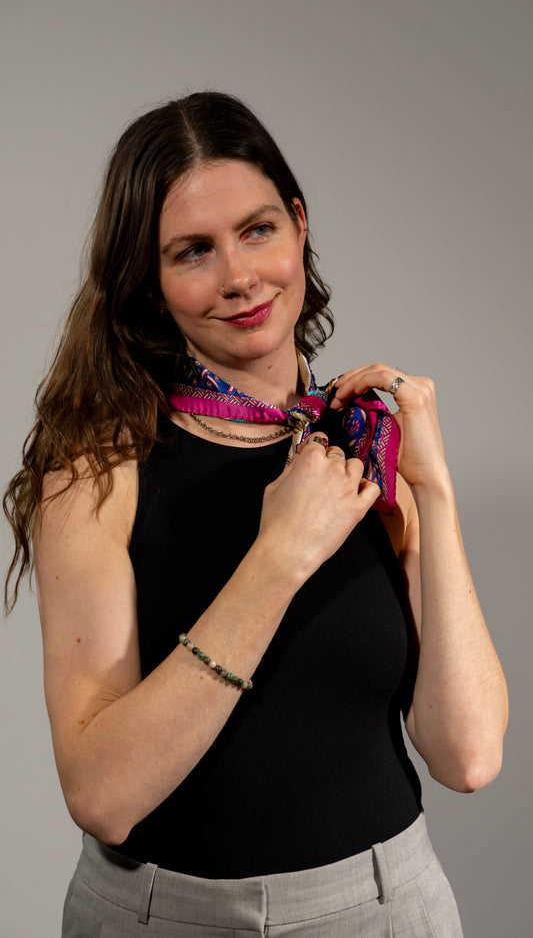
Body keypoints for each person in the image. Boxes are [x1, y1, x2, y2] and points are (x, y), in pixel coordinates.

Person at [4, 91, 508, 937]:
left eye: (257, 229)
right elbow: (103, 795)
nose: (238, 277)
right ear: (149, 279)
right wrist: (278, 555)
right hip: (158, 917)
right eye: (192, 251)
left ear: (299, 225)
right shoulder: (96, 470)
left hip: (382, 910)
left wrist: (435, 492)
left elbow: (467, 753)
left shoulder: (363, 447)